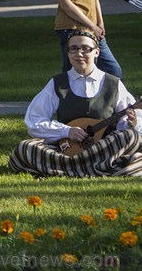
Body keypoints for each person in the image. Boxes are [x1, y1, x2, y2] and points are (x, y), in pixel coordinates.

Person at [9, 30, 142, 177]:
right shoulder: (58, 83)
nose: (79, 53)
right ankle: (100, 168)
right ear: (68, 53)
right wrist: (67, 131)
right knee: (26, 147)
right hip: (68, 148)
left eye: (86, 48)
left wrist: (132, 122)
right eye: (74, 48)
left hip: (103, 147)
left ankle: (65, 168)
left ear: (96, 52)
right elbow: (34, 120)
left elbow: (126, 124)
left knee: (129, 137)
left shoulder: (113, 83)